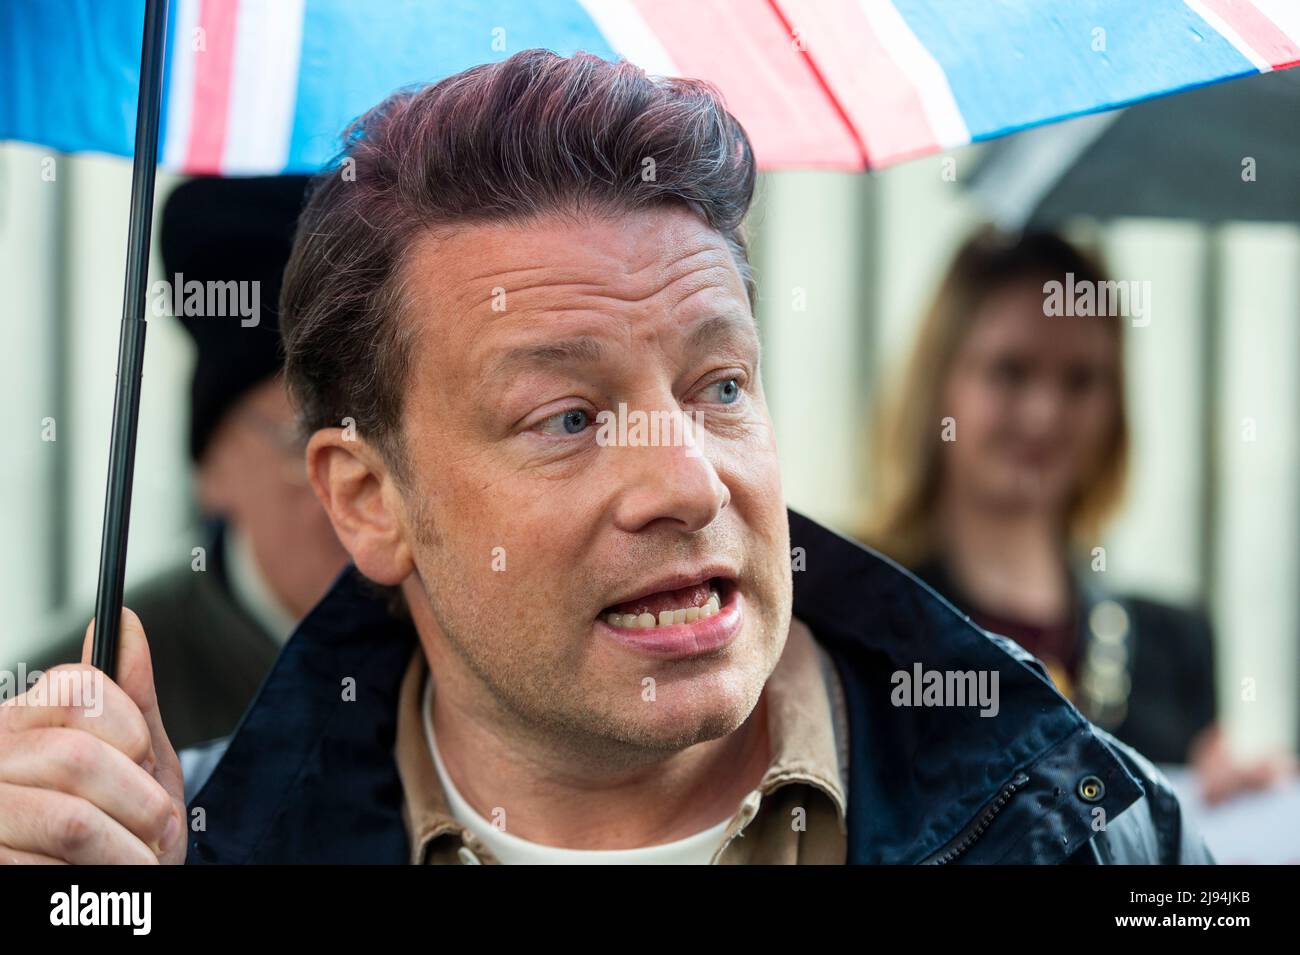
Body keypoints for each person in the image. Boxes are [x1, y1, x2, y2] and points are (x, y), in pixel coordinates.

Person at [0, 51, 1211, 865]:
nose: (688, 482)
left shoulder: (1087, 831)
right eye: (567, 418)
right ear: (368, 500)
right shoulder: (174, 853)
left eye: (720, 386)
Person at [862, 226, 1293, 801]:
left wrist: (1227, 821)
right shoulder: (860, 612)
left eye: (1081, 380)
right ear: (941, 385)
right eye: (1011, 371)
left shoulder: (1174, 645)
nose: (1044, 414)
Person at [21, 176, 350, 750]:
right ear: (214, 470)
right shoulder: (73, 703)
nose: (356, 491)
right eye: (306, 443)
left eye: (385, 439)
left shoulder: (468, 674)